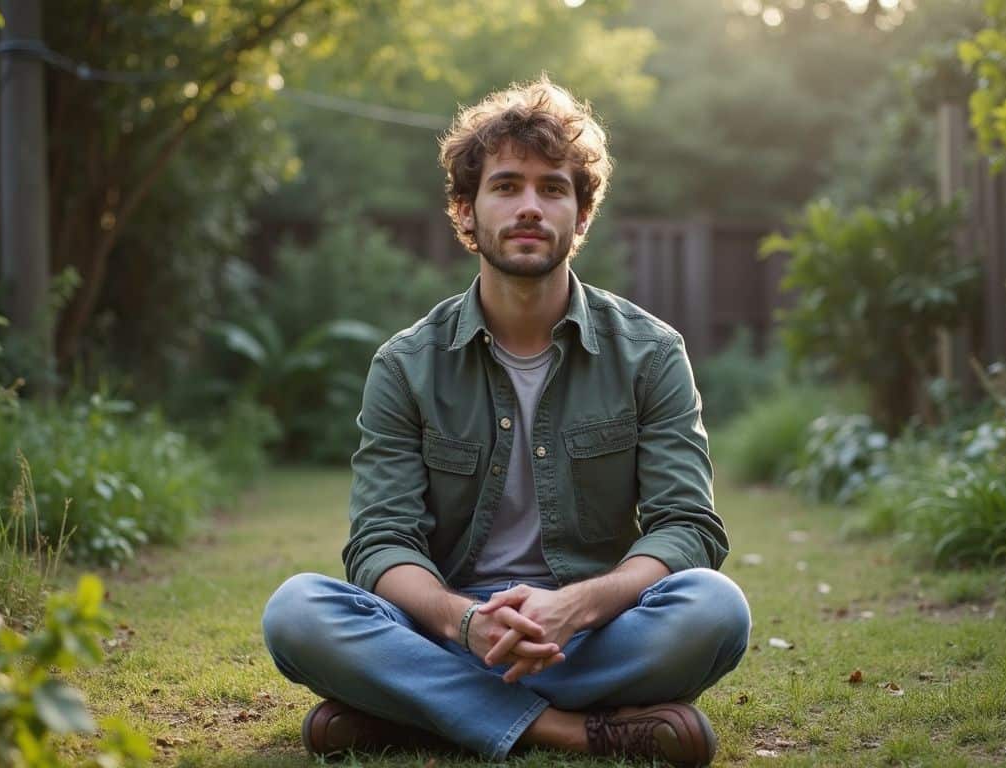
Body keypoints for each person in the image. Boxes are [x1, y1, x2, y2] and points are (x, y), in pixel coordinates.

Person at [261, 76, 751, 768]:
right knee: (296, 612)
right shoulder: (405, 365)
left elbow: (688, 527)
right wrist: (465, 622)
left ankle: (414, 712)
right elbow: (380, 542)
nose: (530, 206)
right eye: (506, 186)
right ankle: (574, 731)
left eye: (553, 188)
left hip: (589, 631)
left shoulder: (651, 353)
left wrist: (574, 608)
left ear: (580, 217)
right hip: (443, 628)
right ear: (465, 211)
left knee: (716, 610)